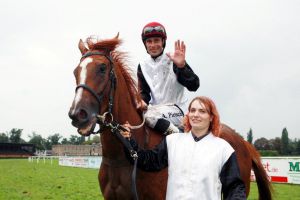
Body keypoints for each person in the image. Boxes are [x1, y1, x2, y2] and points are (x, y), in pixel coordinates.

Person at [122, 96, 246, 200]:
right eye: (192, 110)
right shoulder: (172, 141)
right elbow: (148, 161)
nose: (196, 115)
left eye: (202, 111)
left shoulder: (223, 149)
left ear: (211, 117)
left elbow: (234, 188)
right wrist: (129, 141)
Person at [137, 21, 199, 135]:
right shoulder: (142, 66)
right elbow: (144, 93)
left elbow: (194, 85)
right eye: (149, 41)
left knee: (149, 116)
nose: (153, 45)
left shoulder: (173, 59)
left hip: (177, 109)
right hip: (156, 111)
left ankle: (178, 137)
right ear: (145, 44)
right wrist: (141, 101)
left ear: (163, 42)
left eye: (156, 40)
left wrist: (182, 66)